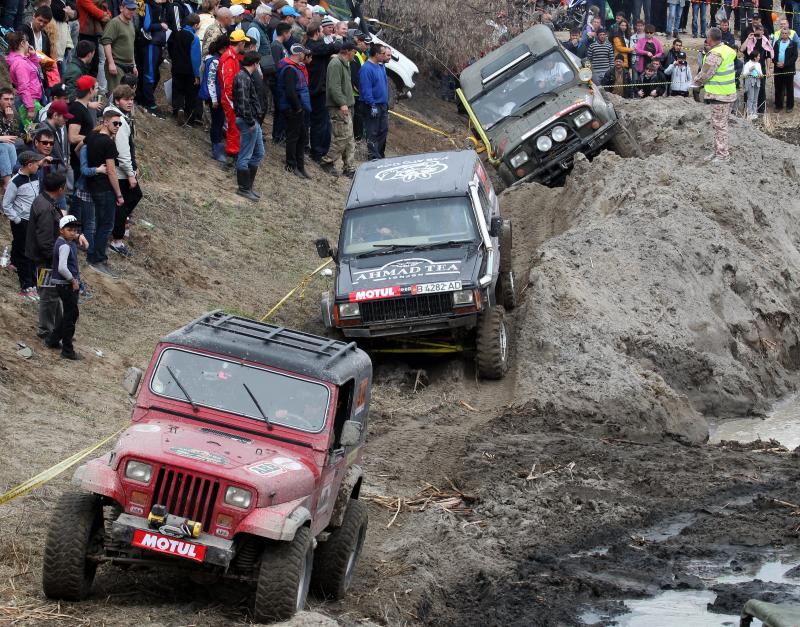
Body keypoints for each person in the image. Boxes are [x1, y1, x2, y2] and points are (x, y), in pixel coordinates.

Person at [25, 172, 73, 339]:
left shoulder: (44, 201)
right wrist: (55, 260)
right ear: (60, 189)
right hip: (46, 260)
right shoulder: (45, 207)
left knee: (55, 294)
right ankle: (47, 331)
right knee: (48, 295)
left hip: (46, 257)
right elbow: (45, 240)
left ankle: (59, 328)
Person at [84, 108, 124, 276]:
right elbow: (112, 171)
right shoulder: (107, 142)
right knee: (106, 225)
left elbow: (80, 148)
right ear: (105, 122)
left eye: (120, 124)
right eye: (115, 123)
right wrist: (119, 194)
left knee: (97, 224)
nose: (118, 126)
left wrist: (90, 169)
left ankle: (94, 256)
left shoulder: (91, 136)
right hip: (105, 188)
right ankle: (97, 259)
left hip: (92, 185)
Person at [690, 27, 736, 162]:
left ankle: (722, 155)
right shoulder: (727, 50)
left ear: (710, 39)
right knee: (719, 124)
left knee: (719, 125)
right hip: (727, 93)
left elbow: (706, 72)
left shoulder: (715, 54)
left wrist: (696, 82)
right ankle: (718, 152)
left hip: (720, 94)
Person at [105, 85, 141, 255]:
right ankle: (117, 238)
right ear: (117, 100)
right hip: (120, 171)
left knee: (125, 201)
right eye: (126, 99)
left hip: (121, 168)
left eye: (132, 99)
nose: (130, 103)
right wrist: (130, 172)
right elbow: (122, 150)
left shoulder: (118, 116)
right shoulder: (117, 119)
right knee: (125, 201)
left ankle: (116, 227)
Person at [2, 151, 42, 300]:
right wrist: (17, 219)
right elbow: (6, 204)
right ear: (29, 165)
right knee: (26, 255)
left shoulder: (35, 176)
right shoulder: (15, 182)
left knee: (31, 254)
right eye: (36, 164)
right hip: (22, 222)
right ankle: (26, 286)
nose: (39, 166)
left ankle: (33, 283)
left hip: (34, 221)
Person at [46, 214, 83, 360]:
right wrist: (73, 280)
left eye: (75, 230)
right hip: (66, 285)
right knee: (71, 315)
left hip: (62, 285)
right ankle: (67, 349)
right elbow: (62, 267)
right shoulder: (65, 246)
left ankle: (53, 340)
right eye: (70, 230)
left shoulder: (60, 242)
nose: (73, 233)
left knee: (69, 313)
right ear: (61, 230)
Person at [231, 50, 265, 201]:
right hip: (248, 121)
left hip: (251, 120)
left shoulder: (244, 76)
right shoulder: (243, 77)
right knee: (245, 155)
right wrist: (251, 122)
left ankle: (248, 187)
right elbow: (244, 103)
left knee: (259, 153)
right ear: (255, 63)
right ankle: (244, 188)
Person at [320, 40, 356, 178]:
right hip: (338, 108)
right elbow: (333, 87)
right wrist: (342, 103)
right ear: (347, 51)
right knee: (342, 137)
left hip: (347, 105)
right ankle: (327, 161)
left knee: (350, 139)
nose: (355, 54)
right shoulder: (335, 64)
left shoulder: (345, 64)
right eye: (354, 51)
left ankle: (349, 167)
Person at [306, 23, 342, 163]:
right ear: (317, 32)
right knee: (319, 123)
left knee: (324, 123)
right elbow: (335, 47)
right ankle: (317, 152)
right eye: (322, 31)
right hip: (317, 90)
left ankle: (321, 150)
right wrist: (337, 38)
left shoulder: (316, 45)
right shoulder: (314, 46)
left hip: (320, 88)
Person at [277, 43, 312, 178]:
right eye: (303, 52)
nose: (305, 55)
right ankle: (291, 165)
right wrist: (297, 108)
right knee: (293, 137)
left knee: (302, 136)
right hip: (292, 108)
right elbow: (290, 92)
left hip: (296, 107)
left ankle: (300, 166)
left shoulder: (296, 67)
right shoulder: (290, 69)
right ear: (299, 54)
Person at [219, 29, 250, 165]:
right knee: (233, 127)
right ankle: (232, 154)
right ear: (241, 42)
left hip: (233, 98)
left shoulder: (234, 56)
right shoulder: (229, 58)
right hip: (230, 99)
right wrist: (233, 99)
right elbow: (228, 84)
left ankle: (235, 152)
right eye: (245, 43)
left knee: (235, 127)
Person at [5, 32, 45, 130]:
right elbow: (24, 86)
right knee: (31, 135)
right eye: (27, 42)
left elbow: (34, 72)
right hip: (28, 102)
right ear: (22, 43)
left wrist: (33, 56)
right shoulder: (20, 64)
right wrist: (30, 108)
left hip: (30, 100)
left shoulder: (23, 60)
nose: (29, 44)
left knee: (33, 133)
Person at [169, 12, 202, 125]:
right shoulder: (194, 37)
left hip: (177, 68)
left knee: (177, 90)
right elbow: (195, 58)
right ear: (196, 25)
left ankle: (178, 109)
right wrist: (197, 75)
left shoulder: (178, 33)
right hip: (189, 71)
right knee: (190, 93)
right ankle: (189, 117)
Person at [200, 34, 228, 164]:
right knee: (217, 123)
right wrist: (214, 99)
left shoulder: (213, 58)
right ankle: (216, 147)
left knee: (219, 121)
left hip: (217, 96)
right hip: (214, 97)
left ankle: (217, 145)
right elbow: (211, 81)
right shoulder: (215, 61)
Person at [360, 43, 389, 161]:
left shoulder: (381, 67)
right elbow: (366, 89)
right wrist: (372, 105)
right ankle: (373, 156)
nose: (385, 56)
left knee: (383, 130)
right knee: (373, 132)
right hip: (372, 105)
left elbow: (384, 85)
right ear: (376, 54)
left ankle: (379, 154)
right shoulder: (366, 68)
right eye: (383, 53)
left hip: (383, 104)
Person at [101, 0, 138, 93]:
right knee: (116, 95)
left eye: (133, 9)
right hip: (117, 65)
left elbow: (130, 46)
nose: (132, 11)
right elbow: (106, 42)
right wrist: (111, 63)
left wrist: (134, 65)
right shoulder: (114, 23)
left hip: (128, 67)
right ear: (121, 8)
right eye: (129, 8)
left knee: (125, 96)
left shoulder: (131, 24)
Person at [740, 23, 773, 113]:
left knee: (761, 89)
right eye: (756, 29)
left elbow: (768, 56)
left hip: (760, 68)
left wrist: (769, 69)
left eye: (760, 30)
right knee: (748, 89)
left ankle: (760, 109)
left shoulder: (765, 41)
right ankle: (748, 110)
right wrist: (748, 38)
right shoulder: (750, 40)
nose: (758, 32)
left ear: (763, 32)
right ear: (754, 30)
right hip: (749, 67)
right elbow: (742, 49)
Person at [78, 0, 112, 80]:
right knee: (86, 62)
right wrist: (104, 14)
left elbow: (109, 13)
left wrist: (106, 15)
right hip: (84, 34)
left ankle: (93, 87)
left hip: (95, 34)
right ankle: (86, 87)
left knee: (95, 62)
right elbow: (95, 10)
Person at [269, 22, 291, 143]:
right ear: (284, 33)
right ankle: (277, 135)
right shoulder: (276, 46)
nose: (290, 35)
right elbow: (276, 66)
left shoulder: (282, 46)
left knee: (281, 110)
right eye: (289, 33)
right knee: (280, 110)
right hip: (278, 84)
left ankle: (279, 134)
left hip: (282, 84)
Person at [0, 88, 23, 194]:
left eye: (11, 99)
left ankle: (14, 176)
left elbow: (14, 135)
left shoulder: (10, 112)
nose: (9, 102)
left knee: (12, 145)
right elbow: (4, 137)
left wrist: (9, 120)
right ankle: (7, 183)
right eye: (6, 99)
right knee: (5, 146)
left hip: (6, 144)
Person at [350, 31, 370, 141]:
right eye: (366, 44)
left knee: (359, 117)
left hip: (358, 92)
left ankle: (358, 136)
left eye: (369, 44)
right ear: (360, 42)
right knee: (356, 117)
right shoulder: (356, 56)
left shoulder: (362, 55)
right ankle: (356, 137)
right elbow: (355, 77)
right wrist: (360, 90)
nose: (367, 46)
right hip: (355, 93)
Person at [773, 25, 797, 111]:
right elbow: (773, 55)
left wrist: (785, 64)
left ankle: (790, 106)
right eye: (782, 33)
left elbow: (794, 57)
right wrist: (776, 62)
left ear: (789, 34)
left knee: (789, 88)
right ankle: (778, 105)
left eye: (786, 33)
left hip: (788, 70)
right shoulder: (777, 43)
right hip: (778, 68)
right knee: (778, 87)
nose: (784, 34)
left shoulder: (793, 44)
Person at [741, 50, 763, 118]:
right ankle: (749, 113)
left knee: (755, 98)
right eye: (758, 56)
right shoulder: (748, 64)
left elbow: (761, 74)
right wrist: (750, 70)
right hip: (750, 82)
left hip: (757, 82)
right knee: (750, 98)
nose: (759, 57)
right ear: (754, 57)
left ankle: (754, 112)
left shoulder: (758, 64)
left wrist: (760, 75)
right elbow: (743, 75)